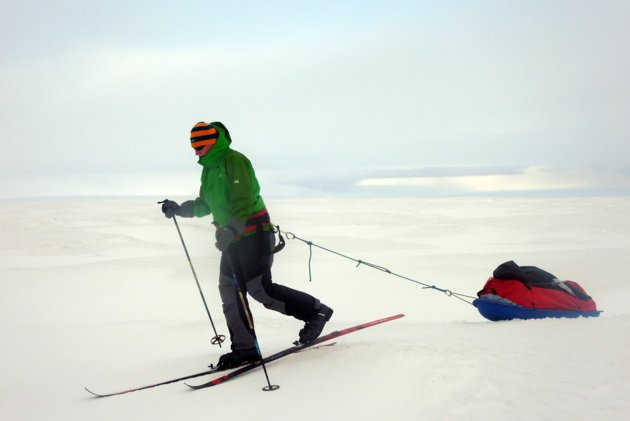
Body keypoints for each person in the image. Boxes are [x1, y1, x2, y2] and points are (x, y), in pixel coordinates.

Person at [161, 121, 333, 370]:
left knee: (259, 289)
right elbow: (204, 204)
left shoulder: (235, 161)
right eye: (193, 146)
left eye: (200, 145)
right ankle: (245, 349)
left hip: (254, 234)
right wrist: (179, 209)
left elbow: (243, 200)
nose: (196, 151)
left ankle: (316, 313)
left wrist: (231, 228)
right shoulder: (208, 170)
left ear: (213, 141)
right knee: (229, 291)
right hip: (231, 240)